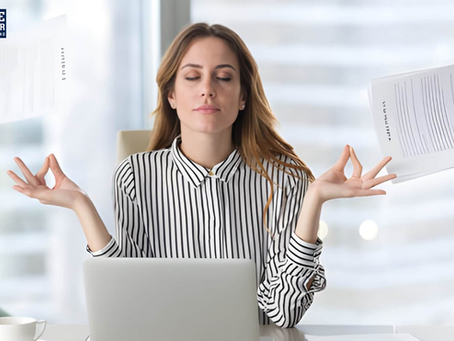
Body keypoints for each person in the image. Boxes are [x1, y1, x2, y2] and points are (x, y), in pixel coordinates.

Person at [7, 23, 396, 328]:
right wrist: (81, 205)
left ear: (243, 97)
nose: (207, 89)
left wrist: (314, 200)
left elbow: (282, 313)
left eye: (224, 77)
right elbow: (128, 301)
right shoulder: (134, 175)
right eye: (192, 77)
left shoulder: (285, 180)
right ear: (172, 96)